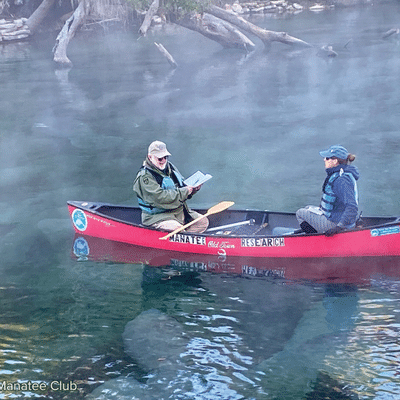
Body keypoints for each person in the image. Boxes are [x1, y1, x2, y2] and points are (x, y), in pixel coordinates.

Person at [133, 140, 209, 233]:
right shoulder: (145, 177)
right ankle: (180, 240)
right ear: (150, 157)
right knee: (178, 230)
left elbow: (183, 186)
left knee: (202, 222)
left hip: (178, 213)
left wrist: (193, 189)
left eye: (165, 157)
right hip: (157, 217)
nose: (163, 161)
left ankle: (184, 241)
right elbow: (160, 198)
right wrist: (185, 191)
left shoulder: (170, 167)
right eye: (160, 158)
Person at [296, 145, 360, 235]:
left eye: (327, 158)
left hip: (336, 223)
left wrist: (339, 227)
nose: (324, 160)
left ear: (335, 161)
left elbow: (352, 207)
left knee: (300, 213)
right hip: (336, 218)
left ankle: (318, 240)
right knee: (308, 208)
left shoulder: (341, 180)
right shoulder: (341, 174)